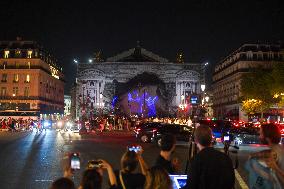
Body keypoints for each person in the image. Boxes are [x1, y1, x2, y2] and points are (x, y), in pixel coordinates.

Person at [182, 125, 235, 189]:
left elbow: (191, 186)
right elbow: (231, 183)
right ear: (211, 139)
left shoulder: (195, 160)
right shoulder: (226, 158)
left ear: (196, 141)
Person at [246, 123, 284, 188]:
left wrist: (274, 167)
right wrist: (254, 155)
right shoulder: (279, 148)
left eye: (261, 134)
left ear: (267, 138)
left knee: (252, 163)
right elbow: (267, 152)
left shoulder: (275, 152)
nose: (259, 136)